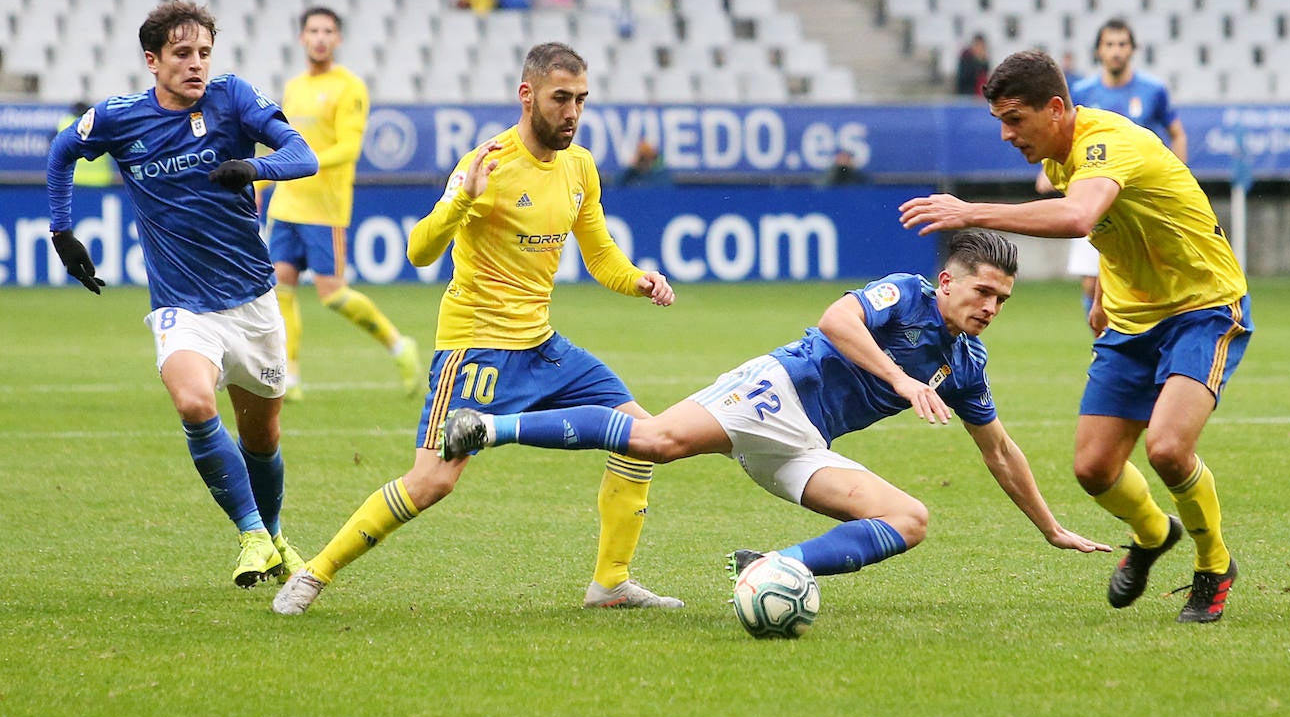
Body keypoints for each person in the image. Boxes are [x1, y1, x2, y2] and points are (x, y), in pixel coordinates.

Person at [440, 231, 1110, 593]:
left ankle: (771, 568)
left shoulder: (965, 367)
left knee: (910, 519)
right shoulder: (904, 295)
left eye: (1003, 300)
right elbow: (836, 320)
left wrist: (1050, 527)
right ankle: (489, 428)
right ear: (948, 281)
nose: (990, 307)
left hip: (804, 444)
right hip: (776, 390)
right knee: (653, 441)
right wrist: (901, 383)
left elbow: (999, 451)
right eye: (983, 291)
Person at [272, 43, 681, 616]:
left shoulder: (580, 167)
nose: (572, 112)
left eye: (581, 100)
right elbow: (419, 250)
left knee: (646, 439)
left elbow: (600, 255)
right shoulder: (485, 162)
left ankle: (610, 583)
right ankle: (316, 573)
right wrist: (461, 201)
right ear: (527, 95)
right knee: (431, 482)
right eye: (560, 98)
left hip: (542, 346)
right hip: (476, 348)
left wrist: (639, 280)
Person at [899, 49, 1252, 624]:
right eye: (1000, 122)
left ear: (1056, 108)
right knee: (1093, 468)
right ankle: (1152, 533)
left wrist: (970, 212)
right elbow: (1124, 225)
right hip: (1134, 317)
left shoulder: (1105, 143)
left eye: (1016, 119)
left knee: (1166, 447)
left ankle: (1214, 565)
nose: (1008, 134)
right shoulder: (1064, 157)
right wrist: (1109, 292)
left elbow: (1079, 219)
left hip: (1202, 307)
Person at [46, 0, 320, 588]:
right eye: (182, 54)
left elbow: (305, 156)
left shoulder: (234, 98)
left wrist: (254, 168)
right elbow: (62, 151)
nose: (196, 65)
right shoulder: (120, 118)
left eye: (203, 53)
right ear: (152, 60)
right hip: (181, 306)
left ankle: (272, 538)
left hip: (252, 302)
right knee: (195, 403)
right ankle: (250, 532)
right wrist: (62, 231)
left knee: (263, 437)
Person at [264, 7, 422, 403]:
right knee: (281, 291)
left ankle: (399, 346)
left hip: (324, 209)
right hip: (286, 205)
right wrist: (262, 177)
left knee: (332, 294)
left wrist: (305, 164)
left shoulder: (350, 87)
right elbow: (286, 145)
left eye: (327, 31)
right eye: (313, 30)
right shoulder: (295, 86)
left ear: (337, 39)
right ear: (302, 37)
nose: (319, 37)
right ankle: (291, 376)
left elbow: (349, 147)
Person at [1049, 18, 1188, 323]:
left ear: (1133, 50)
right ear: (1098, 50)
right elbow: (1066, 136)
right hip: (1095, 196)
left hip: (1141, 199)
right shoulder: (1082, 91)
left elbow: (1177, 132)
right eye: (1109, 44)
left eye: (1122, 44)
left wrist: (1179, 176)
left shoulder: (1153, 90)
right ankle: (1108, 345)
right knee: (1091, 283)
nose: (1116, 51)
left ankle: (1143, 338)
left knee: (1146, 279)